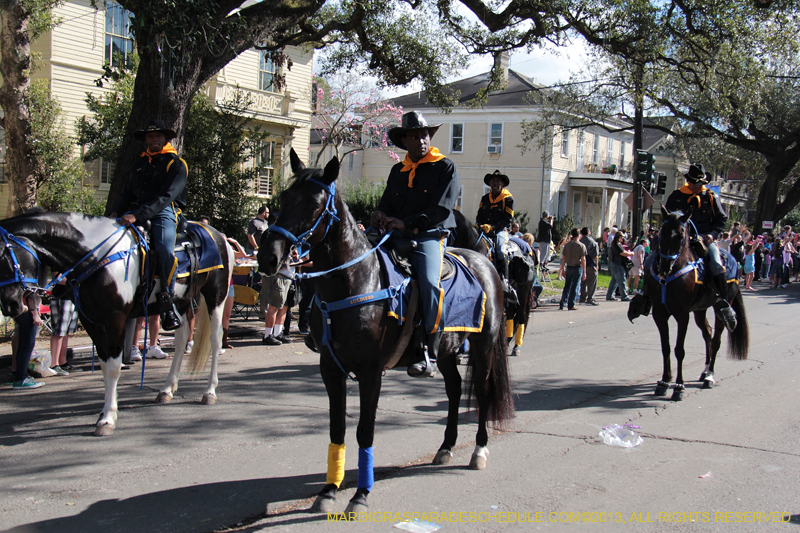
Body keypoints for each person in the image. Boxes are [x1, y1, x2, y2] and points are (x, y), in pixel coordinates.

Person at [371, 110, 460, 378]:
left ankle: (430, 350)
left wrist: (407, 224)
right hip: (395, 234)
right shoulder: (398, 170)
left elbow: (442, 210)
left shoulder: (445, 166)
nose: (421, 140)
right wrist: (379, 214)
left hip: (428, 235)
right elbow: (387, 202)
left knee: (430, 282)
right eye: (414, 136)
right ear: (405, 141)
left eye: (424, 135)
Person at [109, 119, 187, 331]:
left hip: (163, 211)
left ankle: (166, 299)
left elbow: (166, 196)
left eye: (158, 136)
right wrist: (114, 212)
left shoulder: (176, 164)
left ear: (165, 139)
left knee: (164, 251)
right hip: (134, 210)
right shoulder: (139, 163)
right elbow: (126, 192)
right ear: (146, 139)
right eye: (150, 136)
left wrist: (139, 215)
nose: (154, 139)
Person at [664, 163, 735, 330]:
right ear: (688, 181)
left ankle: (723, 303)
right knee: (655, 256)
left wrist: (712, 235)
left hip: (704, 239)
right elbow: (667, 217)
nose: (697, 186)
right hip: (681, 239)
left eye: (699, 183)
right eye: (694, 183)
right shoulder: (677, 196)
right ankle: (646, 295)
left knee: (716, 263)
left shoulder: (710, 196)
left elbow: (721, 219)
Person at [476, 170, 514, 292]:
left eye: (498, 181)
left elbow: (507, 219)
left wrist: (492, 227)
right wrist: (478, 225)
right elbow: (479, 215)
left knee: (500, 250)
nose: (495, 184)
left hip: (500, 231)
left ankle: (504, 280)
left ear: (502, 183)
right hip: (484, 230)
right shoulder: (485, 198)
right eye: (493, 181)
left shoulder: (508, 199)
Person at [10, 292, 45, 390]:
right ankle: (21, 379)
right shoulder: (28, 277)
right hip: (27, 310)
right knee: (27, 345)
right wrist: (35, 313)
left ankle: (20, 377)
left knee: (23, 345)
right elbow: (30, 293)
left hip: (20, 309)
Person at [558, 228, 586, 311]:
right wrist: (584, 271)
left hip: (569, 266)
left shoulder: (567, 245)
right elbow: (583, 259)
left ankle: (562, 303)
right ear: (578, 235)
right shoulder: (581, 246)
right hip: (577, 267)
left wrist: (562, 268)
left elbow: (563, 257)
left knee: (567, 286)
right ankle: (571, 304)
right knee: (574, 286)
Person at [606, 232, 633, 302]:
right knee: (622, 281)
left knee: (614, 281)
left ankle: (609, 295)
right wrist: (631, 253)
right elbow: (623, 253)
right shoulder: (616, 245)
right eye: (622, 237)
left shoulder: (615, 244)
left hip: (614, 264)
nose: (623, 239)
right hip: (618, 264)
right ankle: (624, 296)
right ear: (619, 237)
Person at [578, 227, 600, 306]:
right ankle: (590, 298)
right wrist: (597, 265)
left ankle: (582, 298)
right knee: (592, 282)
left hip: (581, 264)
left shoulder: (579, 241)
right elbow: (595, 255)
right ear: (588, 232)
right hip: (590, 264)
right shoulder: (592, 242)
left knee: (583, 282)